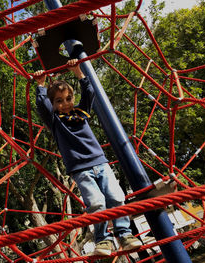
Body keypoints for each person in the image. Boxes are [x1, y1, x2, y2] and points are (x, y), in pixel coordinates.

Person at [34, 59, 142, 256]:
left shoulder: (81, 113)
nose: (65, 103)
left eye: (67, 98)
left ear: (72, 98)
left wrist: (78, 71)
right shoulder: (55, 122)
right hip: (80, 169)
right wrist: (40, 85)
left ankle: (125, 235)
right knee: (96, 203)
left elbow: (90, 92)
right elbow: (42, 106)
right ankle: (104, 240)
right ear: (53, 104)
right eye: (59, 101)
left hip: (100, 162)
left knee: (117, 197)